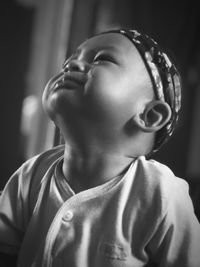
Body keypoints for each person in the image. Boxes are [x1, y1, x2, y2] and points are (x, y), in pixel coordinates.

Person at [0, 28, 199, 267]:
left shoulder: (161, 195)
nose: (71, 64)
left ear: (150, 115)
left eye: (101, 58)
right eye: (68, 61)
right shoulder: (31, 175)